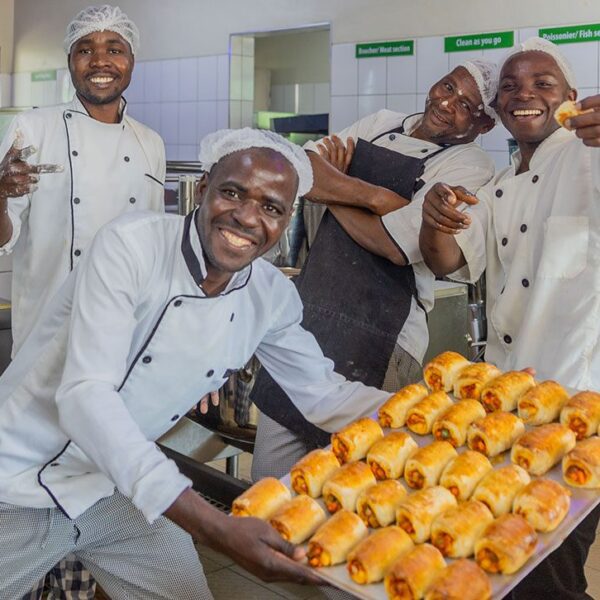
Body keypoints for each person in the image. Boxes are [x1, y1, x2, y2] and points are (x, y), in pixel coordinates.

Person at [0, 128, 393, 600]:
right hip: (19, 477)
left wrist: (435, 408)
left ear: (286, 219)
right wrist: (212, 526)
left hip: (109, 484)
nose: (248, 217)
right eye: (233, 192)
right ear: (203, 189)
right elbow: (86, 395)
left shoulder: (269, 294)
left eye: (271, 207)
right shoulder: (130, 246)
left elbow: (325, 396)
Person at [251, 60, 498, 480]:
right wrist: (377, 197)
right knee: (269, 477)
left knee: (350, 483)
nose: (445, 103)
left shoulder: (470, 165)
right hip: (308, 317)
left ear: (484, 125)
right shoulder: (382, 122)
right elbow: (302, 167)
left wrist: (331, 191)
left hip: (383, 338)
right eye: (447, 87)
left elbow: (395, 244)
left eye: (466, 105)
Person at [419, 37, 600, 599]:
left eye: (543, 84)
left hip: (578, 406)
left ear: (570, 98)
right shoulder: (496, 187)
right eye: (511, 87)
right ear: (496, 111)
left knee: (552, 567)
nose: (525, 94)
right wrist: (433, 218)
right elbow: (446, 260)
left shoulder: (589, 156)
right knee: (512, 559)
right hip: (506, 404)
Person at [0, 5, 166, 599]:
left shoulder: (150, 143)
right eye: (86, 48)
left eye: (114, 47)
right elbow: (4, 233)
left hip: (121, 349)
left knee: (104, 484)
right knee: (32, 491)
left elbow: (151, 255)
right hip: (47, 341)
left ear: (131, 61)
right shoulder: (34, 126)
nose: (101, 59)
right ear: (70, 61)